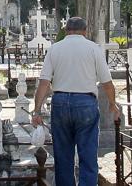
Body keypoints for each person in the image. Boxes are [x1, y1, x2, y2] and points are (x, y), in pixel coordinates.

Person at [31, 16, 122, 186]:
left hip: (60, 102)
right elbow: (107, 83)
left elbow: (44, 82)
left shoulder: (55, 49)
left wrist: (36, 110)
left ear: (66, 31)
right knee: (88, 156)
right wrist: (112, 103)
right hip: (85, 102)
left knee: (63, 157)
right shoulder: (93, 48)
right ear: (85, 31)